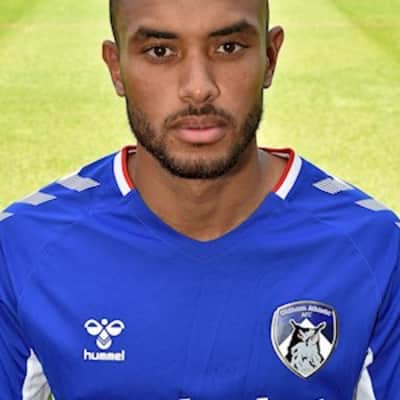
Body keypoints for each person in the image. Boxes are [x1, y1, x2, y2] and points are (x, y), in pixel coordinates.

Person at [0, 0, 399, 398]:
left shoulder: (375, 248)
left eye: (228, 47)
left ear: (270, 57)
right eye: (160, 51)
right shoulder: (24, 247)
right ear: (116, 67)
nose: (198, 87)